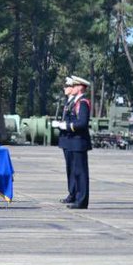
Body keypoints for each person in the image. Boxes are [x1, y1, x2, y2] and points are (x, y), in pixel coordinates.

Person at [53, 77, 92, 208]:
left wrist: (66, 126)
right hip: (73, 142)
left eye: (74, 85)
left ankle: (82, 201)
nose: (72, 87)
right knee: (75, 171)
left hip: (78, 142)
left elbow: (82, 123)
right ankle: (77, 197)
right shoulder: (76, 102)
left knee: (81, 172)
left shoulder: (83, 102)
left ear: (80, 87)